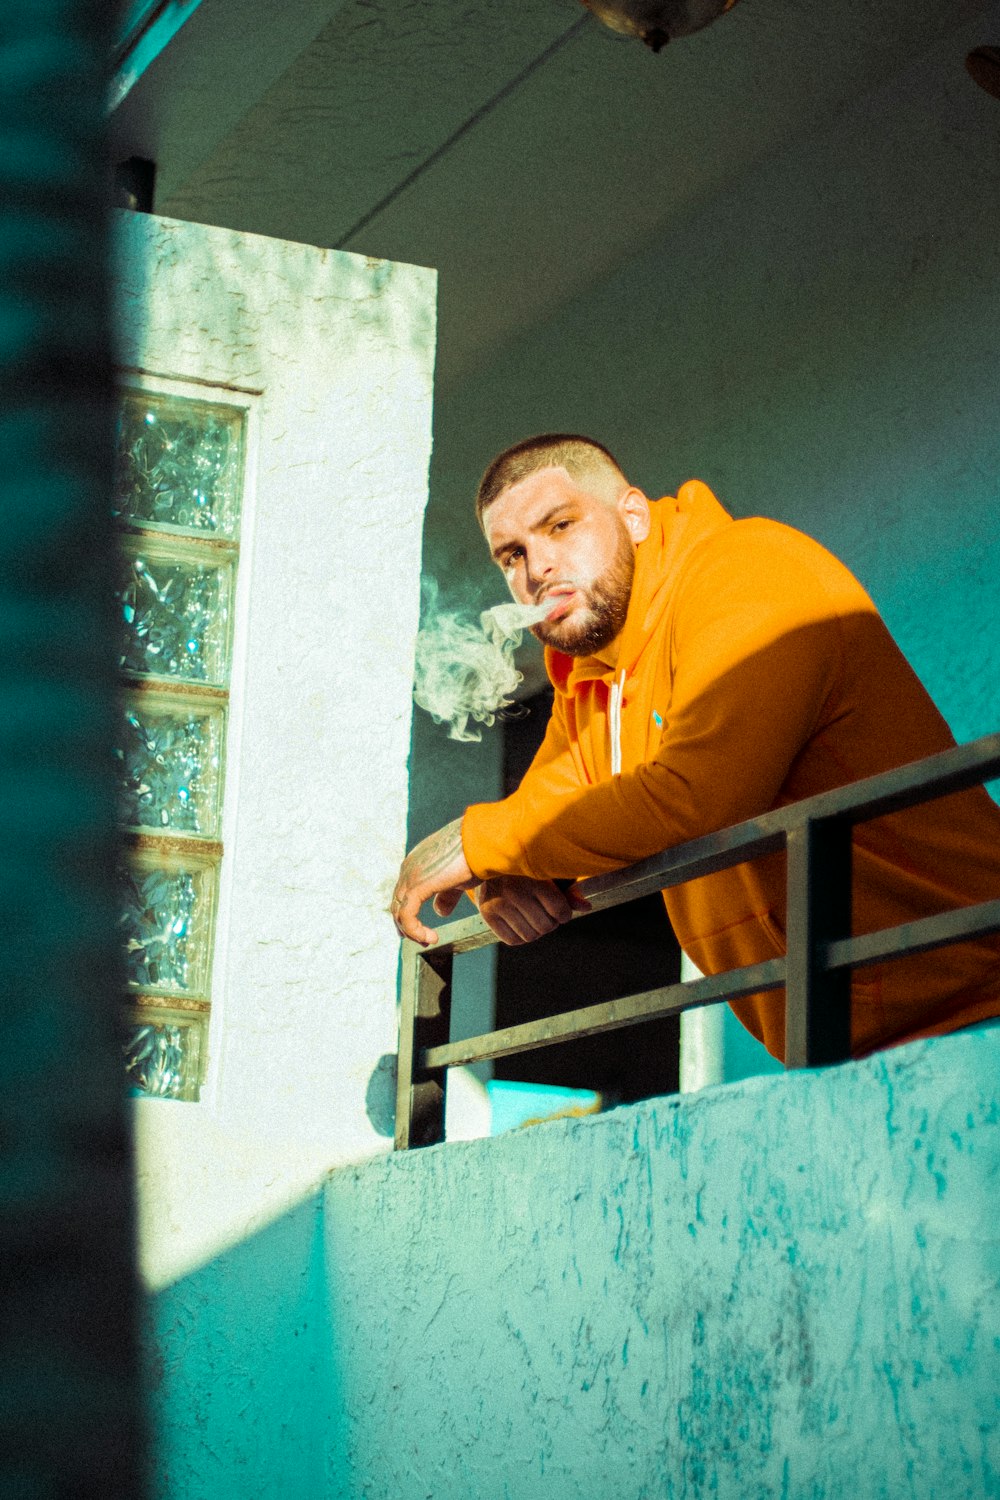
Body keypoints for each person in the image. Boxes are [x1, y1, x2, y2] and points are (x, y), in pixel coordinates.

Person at [391, 434, 1000, 1061]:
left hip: (982, 1002)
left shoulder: (748, 568)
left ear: (632, 517)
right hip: (843, 1053)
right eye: (512, 555)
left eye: (562, 526)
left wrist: (480, 843)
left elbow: (699, 791)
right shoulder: (589, 679)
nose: (537, 567)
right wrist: (504, 869)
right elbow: (545, 816)